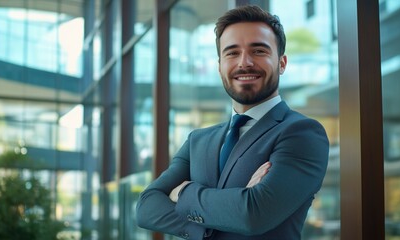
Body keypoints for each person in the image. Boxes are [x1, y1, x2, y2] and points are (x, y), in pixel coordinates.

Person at [136, 4, 329, 240]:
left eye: (259, 51)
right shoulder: (198, 140)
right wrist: (214, 222)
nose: (244, 62)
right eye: (232, 52)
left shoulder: (302, 133)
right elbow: (146, 207)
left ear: (282, 63)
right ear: (219, 67)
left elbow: (253, 214)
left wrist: (184, 192)